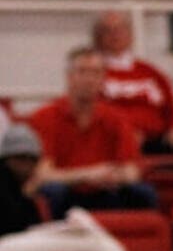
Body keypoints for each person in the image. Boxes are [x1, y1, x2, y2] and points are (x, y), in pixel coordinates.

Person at [30, 48, 158, 218]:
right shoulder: (44, 117)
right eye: (82, 72)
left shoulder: (117, 118)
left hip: (106, 192)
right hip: (67, 194)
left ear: (103, 79)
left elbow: (131, 170)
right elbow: (42, 175)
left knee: (143, 193)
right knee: (53, 191)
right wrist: (87, 175)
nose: (89, 79)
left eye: (96, 73)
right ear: (69, 77)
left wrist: (113, 176)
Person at [0, 124, 130, 251]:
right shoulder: (4, 183)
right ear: (7, 160)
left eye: (31, 160)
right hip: (5, 248)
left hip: (13, 245)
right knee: (106, 248)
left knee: (89, 231)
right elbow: (15, 224)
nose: (26, 167)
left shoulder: (20, 190)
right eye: (20, 159)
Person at [92, 10, 173, 150]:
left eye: (119, 29)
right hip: (112, 143)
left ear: (130, 34)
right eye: (107, 30)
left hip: (157, 141)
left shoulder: (151, 73)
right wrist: (125, 133)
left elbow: (172, 111)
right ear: (98, 37)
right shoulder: (91, 74)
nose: (114, 35)